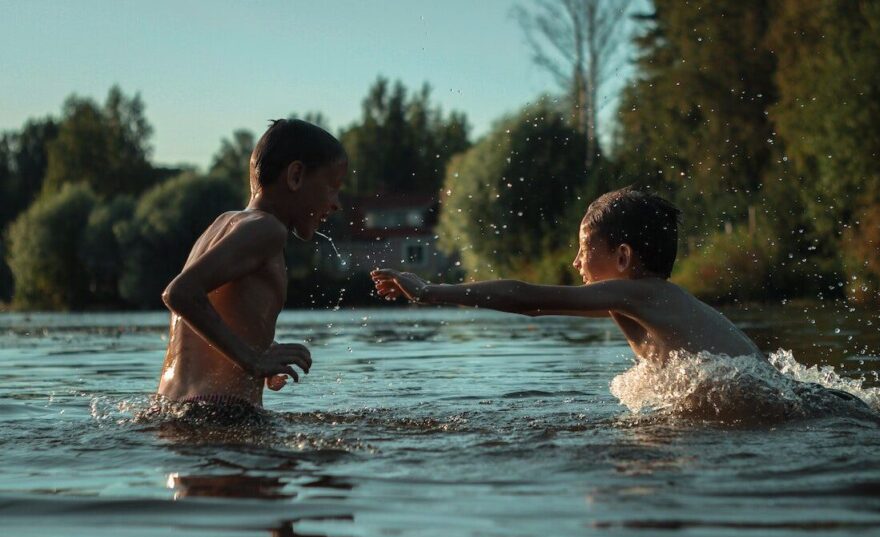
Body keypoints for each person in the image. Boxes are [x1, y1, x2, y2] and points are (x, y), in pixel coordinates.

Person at [371, 187, 763, 364]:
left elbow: (528, 300)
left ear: (623, 257)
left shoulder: (641, 295)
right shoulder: (647, 303)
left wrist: (431, 291)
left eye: (584, 249)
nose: (576, 263)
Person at [157, 119, 347, 410]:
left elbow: (219, 306)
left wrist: (262, 351)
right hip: (221, 411)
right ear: (296, 175)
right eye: (333, 187)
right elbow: (180, 293)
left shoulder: (223, 224)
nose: (336, 203)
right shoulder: (268, 229)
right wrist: (252, 360)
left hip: (175, 408)